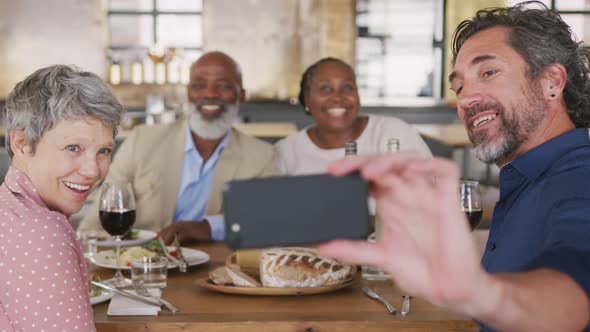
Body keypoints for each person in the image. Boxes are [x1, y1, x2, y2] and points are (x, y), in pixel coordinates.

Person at [319, 2, 590, 331]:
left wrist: (479, 292)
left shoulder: (579, 178)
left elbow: (571, 297)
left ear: (551, 81)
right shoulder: (526, 178)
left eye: (488, 72)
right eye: (459, 86)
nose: (465, 99)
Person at [77, 51, 275, 244]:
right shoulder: (142, 142)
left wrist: (208, 227)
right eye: (199, 85)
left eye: (224, 86)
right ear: (188, 91)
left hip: (215, 269)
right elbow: (93, 227)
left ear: (242, 95)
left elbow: (264, 221)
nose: (210, 94)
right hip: (140, 266)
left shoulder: (262, 156)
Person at [0, 65, 123, 331]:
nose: (93, 171)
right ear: (21, 143)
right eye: (72, 148)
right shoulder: (42, 233)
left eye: (103, 150)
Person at [275, 57, 431, 176]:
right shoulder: (285, 153)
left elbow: (433, 193)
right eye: (325, 89)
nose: (337, 97)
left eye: (347, 87)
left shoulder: (394, 133)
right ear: (306, 99)